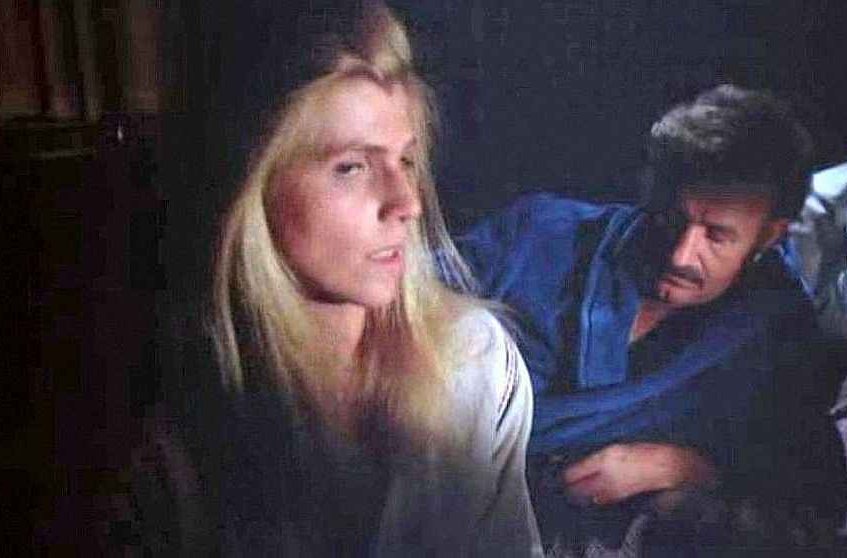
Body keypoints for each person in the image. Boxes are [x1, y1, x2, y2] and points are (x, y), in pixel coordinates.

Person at [129, 2, 542, 556]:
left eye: (406, 161)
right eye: (351, 166)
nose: (407, 202)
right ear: (253, 185)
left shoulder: (476, 366)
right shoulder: (183, 416)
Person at [456, 85, 847, 555]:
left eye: (717, 236)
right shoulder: (537, 234)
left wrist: (685, 468)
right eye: (671, 219)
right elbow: (403, 301)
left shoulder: (776, 334)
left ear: (768, 235)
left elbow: (809, 499)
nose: (682, 254)